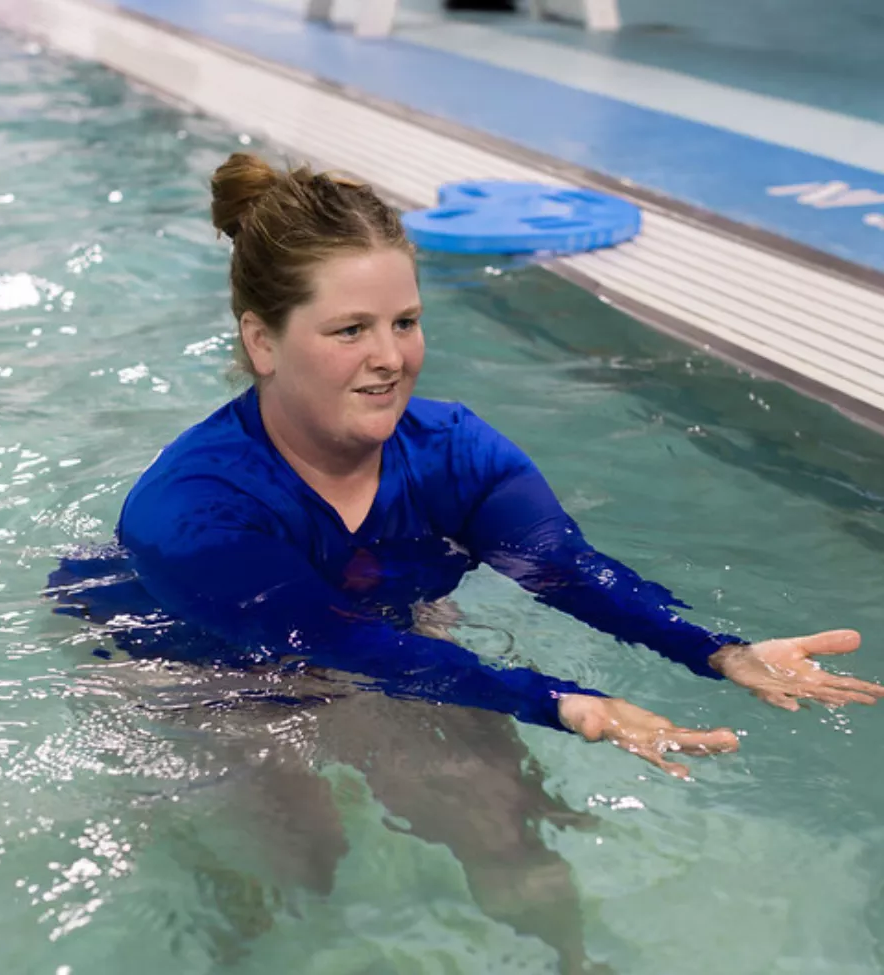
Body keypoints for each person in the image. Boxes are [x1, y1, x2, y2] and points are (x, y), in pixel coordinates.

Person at [49, 153, 883, 972]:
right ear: (263, 343)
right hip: (201, 666)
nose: (390, 357)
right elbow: (335, 640)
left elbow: (562, 569)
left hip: (376, 619)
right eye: (350, 330)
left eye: (404, 322)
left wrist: (717, 650)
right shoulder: (191, 509)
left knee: (501, 814)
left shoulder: (454, 451)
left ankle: (570, 962)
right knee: (303, 858)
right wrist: (557, 700)